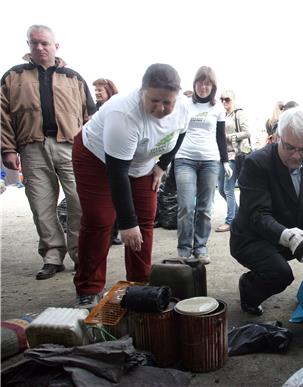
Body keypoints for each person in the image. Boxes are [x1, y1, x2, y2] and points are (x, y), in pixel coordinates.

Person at [72, 63, 190, 307]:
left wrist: (162, 166)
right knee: (100, 220)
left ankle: (138, 283)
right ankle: (88, 287)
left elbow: (179, 135)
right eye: (154, 100)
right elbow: (117, 173)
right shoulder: (123, 113)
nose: (161, 108)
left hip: (142, 162)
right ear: (142, 92)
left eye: (168, 102)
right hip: (96, 157)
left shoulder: (184, 109)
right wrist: (126, 223)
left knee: (146, 219)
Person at [1, 25, 96, 280]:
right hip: (31, 146)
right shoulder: (13, 76)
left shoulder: (73, 77)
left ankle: (81, 254)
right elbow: (3, 116)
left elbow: (91, 116)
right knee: (41, 204)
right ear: (28, 46)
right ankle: (52, 256)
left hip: (70, 146)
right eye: (34, 43)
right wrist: (7, 148)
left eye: (44, 43)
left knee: (78, 201)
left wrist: (92, 151)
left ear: (56, 45)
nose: (39, 47)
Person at [230, 107, 303, 316]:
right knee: (280, 274)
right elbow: (258, 216)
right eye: (290, 147)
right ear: (277, 137)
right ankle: (248, 288)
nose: (297, 156)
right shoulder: (256, 163)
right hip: (252, 238)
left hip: (291, 229)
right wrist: (291, 239)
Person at [174, 66, 230, 264]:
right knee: (186, 206)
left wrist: (225, 161)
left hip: (210, 161)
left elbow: (220, 137)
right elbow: (175, 131)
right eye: (200, 82)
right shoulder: (184, 104)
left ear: (213, 86)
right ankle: (184, 248)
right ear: (194, 84)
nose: (203, 87)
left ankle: (201, 246)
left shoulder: (218, 108)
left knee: (205, 208)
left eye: (208, 83)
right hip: (184, 159)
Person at [215, 89, 251, 233]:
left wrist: (229, 136)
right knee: (221, 189)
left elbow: (247, 132)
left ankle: (230, 221)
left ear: (233, 100)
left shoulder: (239, 114)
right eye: (222, 99)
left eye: (227, 99)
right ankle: (238, 215)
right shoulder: (220, 114)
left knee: (228, 189)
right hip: (222, 155)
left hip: (235, 155)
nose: (224, 102)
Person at [93, 78, 122, 245]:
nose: (97, 93)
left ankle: (113, 233)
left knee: (116, 196)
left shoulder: (115, 108)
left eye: (100, 90)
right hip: (97, 156)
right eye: (96, 91)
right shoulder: (94, 109)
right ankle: (105, 233)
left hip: (113, 157)